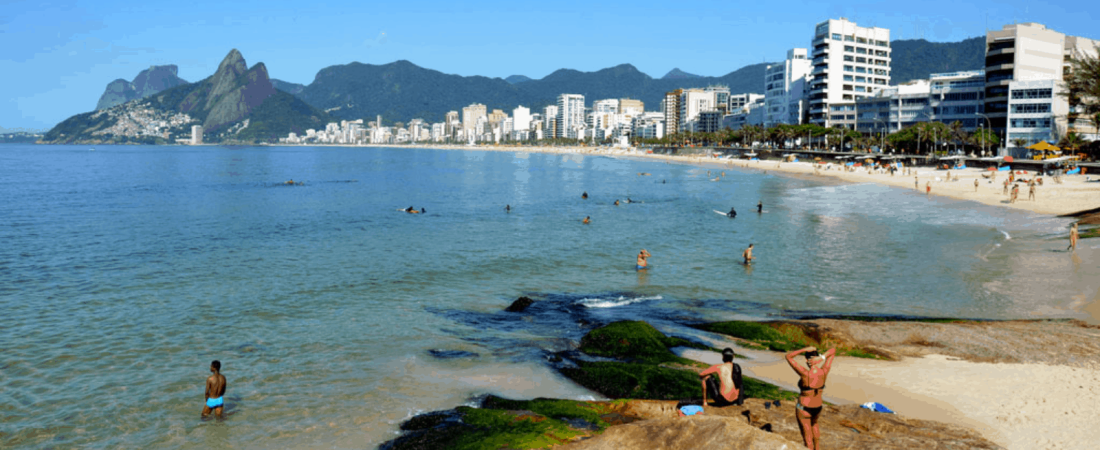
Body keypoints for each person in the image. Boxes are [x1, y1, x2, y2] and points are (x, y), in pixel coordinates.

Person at [786, 346, 836, 450]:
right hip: (818, 407)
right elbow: (833, 350)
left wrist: (804, 349)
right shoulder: (824, 371)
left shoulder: (805, 373)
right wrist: (822, 357)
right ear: (817, 358)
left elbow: (788, 356)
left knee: (808, 440)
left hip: (804, 408)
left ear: (807, 360)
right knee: (815, 425)